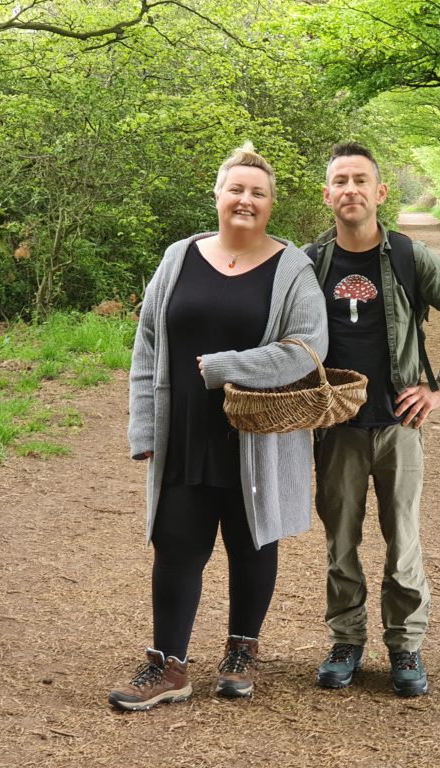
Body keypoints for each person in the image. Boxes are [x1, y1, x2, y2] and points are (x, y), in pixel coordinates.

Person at [109, 142, 328, 711]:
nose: (245, 200)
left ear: (271, 204)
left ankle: (241, 651)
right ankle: (169, 664)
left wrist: (229, 366)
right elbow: (147, 346)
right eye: (236, 189)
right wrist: (145, 431)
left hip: (258, 434)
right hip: (183, 430)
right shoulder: (178, 256)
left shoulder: (292, 268)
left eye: (258, 193)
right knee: (175, 543)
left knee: (253, 540)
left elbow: (308, 347)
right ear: (217, 195)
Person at [309, 142, 440, 697]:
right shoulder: (309, 262)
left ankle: (405, 646)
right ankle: (346, 641)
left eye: (360, 180)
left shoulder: (409, 257)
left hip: (398, 426)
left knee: (402, 539)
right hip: (335, 427)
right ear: (327, 195)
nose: (350, 190)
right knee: (340, 541)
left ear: (380, 192)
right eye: (340, 181)